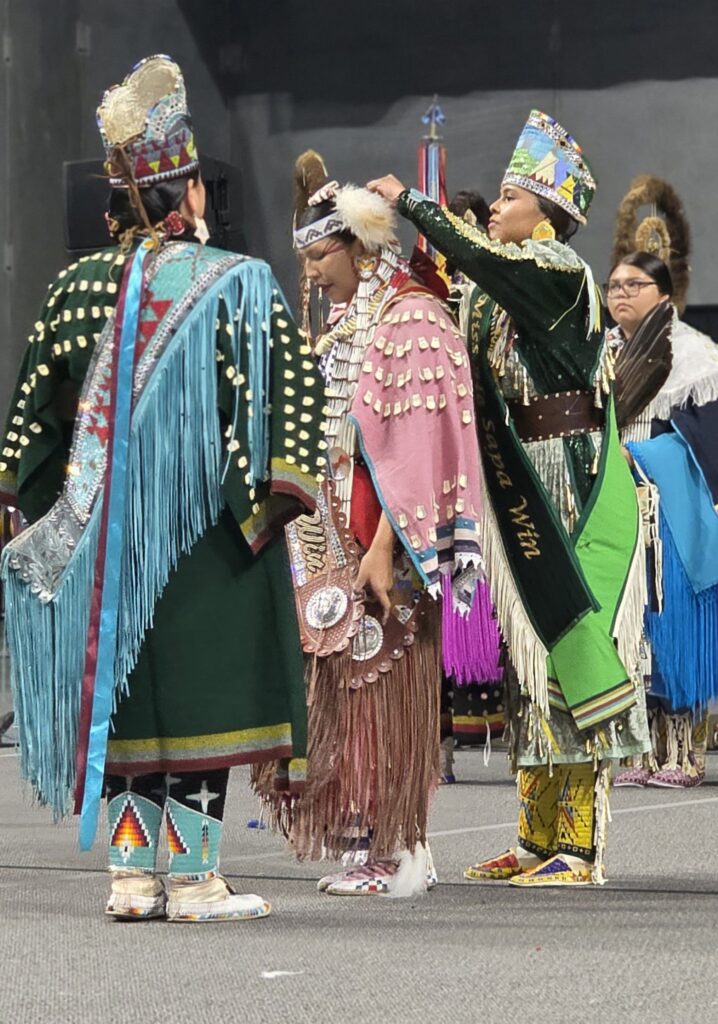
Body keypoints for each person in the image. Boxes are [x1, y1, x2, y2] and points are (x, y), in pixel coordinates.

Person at [0, 55, 324, 922]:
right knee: (203, 698)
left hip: (104, 537)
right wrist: (270, 507)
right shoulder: (241, 286)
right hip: (207, 538)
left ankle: (130, 877)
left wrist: (53, 522)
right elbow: (295, 406)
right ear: (188, 197)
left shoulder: (70, 291)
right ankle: (195, 879)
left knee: (124, 693)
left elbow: (27, 435)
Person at [369, 109, 651, 887]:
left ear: (547, 209)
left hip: (569, 480)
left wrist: (416, 205)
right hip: (519, 473)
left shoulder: (558, 273)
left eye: (509, 196)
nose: (496, 208)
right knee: (523, 661)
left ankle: (579, 845)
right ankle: (534, 838)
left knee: (567, 647)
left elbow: (481, 262)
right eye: (496, 198)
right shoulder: (497, 289)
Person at [253, 151, 483, 896]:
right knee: (349, 695)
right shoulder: (351, 321)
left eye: (322, 255)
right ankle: (370, 845)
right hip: (333, 541)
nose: (313, 272)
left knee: (384, 692)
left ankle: (399, 849)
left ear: (358, 245)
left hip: (382, 550)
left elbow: (417, 455)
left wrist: (383, 549)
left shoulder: (412, 318)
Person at [606, 244, 718, 788]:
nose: (620, 295)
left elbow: (706, 442)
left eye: (634, 285)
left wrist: (644, 455)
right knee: (628, 628)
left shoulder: (697, 357)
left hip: (668, 511)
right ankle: (638, 751)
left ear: (664, 296)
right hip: (612, 505)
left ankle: (682, 753)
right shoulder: (596, 354)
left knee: (667, 620)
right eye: (613, 286)